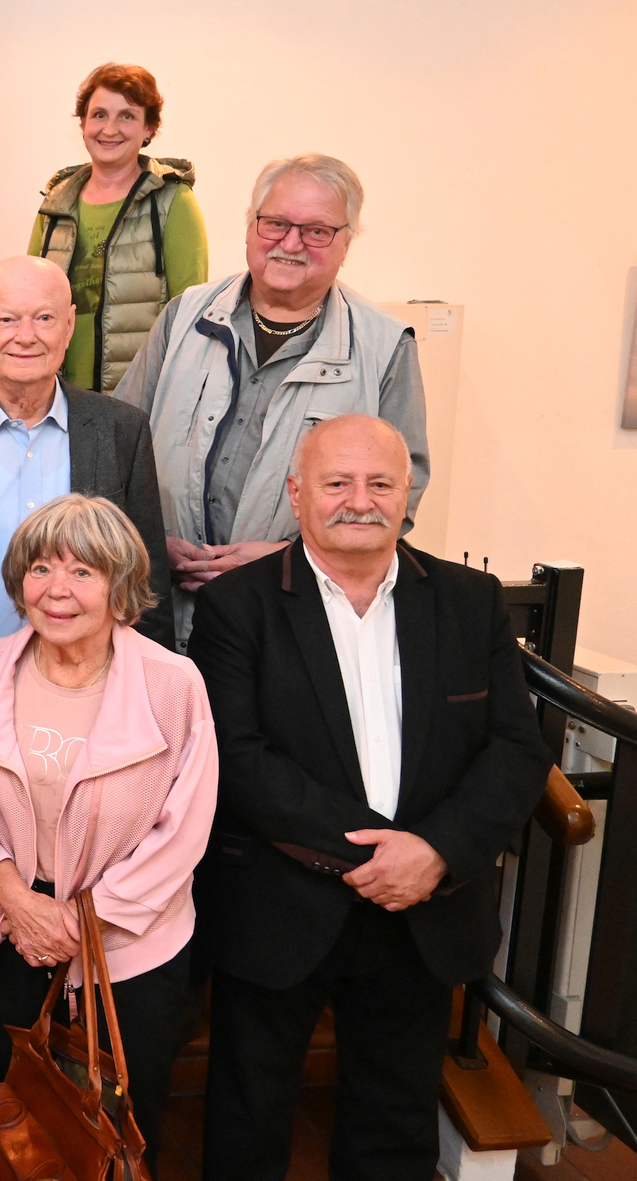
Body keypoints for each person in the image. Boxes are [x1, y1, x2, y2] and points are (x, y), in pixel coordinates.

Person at [188, 414, 550, 1180]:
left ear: (406, 493)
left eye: (380, 483)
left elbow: (516, 749)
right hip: (279, 900)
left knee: (394, 1127)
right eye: (338, 483)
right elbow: (238, 757)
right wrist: (379, 847)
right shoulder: (238, 607)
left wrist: (433, 852)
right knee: (247, 1123)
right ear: (297, 495)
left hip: (421, 906)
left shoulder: (470, 602)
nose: (360, 500)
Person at [0, 256, 172, 1181]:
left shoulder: (118, 430)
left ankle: (69, 1139)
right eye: (5, 318)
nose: (23, 334)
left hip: (97, 741)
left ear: (69, 326)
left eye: (43, 319)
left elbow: (144, 582)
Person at [0, 493, 216, 1175]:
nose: (57, 589)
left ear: (121, 590)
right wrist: (13, 897)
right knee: (2, 1124)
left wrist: (79, 922)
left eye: (83, 571)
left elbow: (183, 829)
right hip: (5, 929)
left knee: (107, 1134)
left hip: (129, 946)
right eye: (40, 568)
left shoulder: (173, 683)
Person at [116, 153, 430, 651]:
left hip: (288, 621)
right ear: (250, 227)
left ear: (346, 242)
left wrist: (291, 558)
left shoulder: (385, 348)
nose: (289, 243)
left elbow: (399, 495)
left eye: (316, 231)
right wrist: (148, 542)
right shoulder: (183, 317)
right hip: (155, 614)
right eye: (276, 223)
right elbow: (118, 447)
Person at [29, 63, 207, 395]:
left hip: (137, 399)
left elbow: (189, 315)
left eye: (127, 116)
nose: (109, 129)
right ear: (83, 124)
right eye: (99, 115)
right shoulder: (55, 204)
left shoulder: (173, 201)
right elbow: (27, 299)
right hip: (55, 396)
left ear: (149, 129)